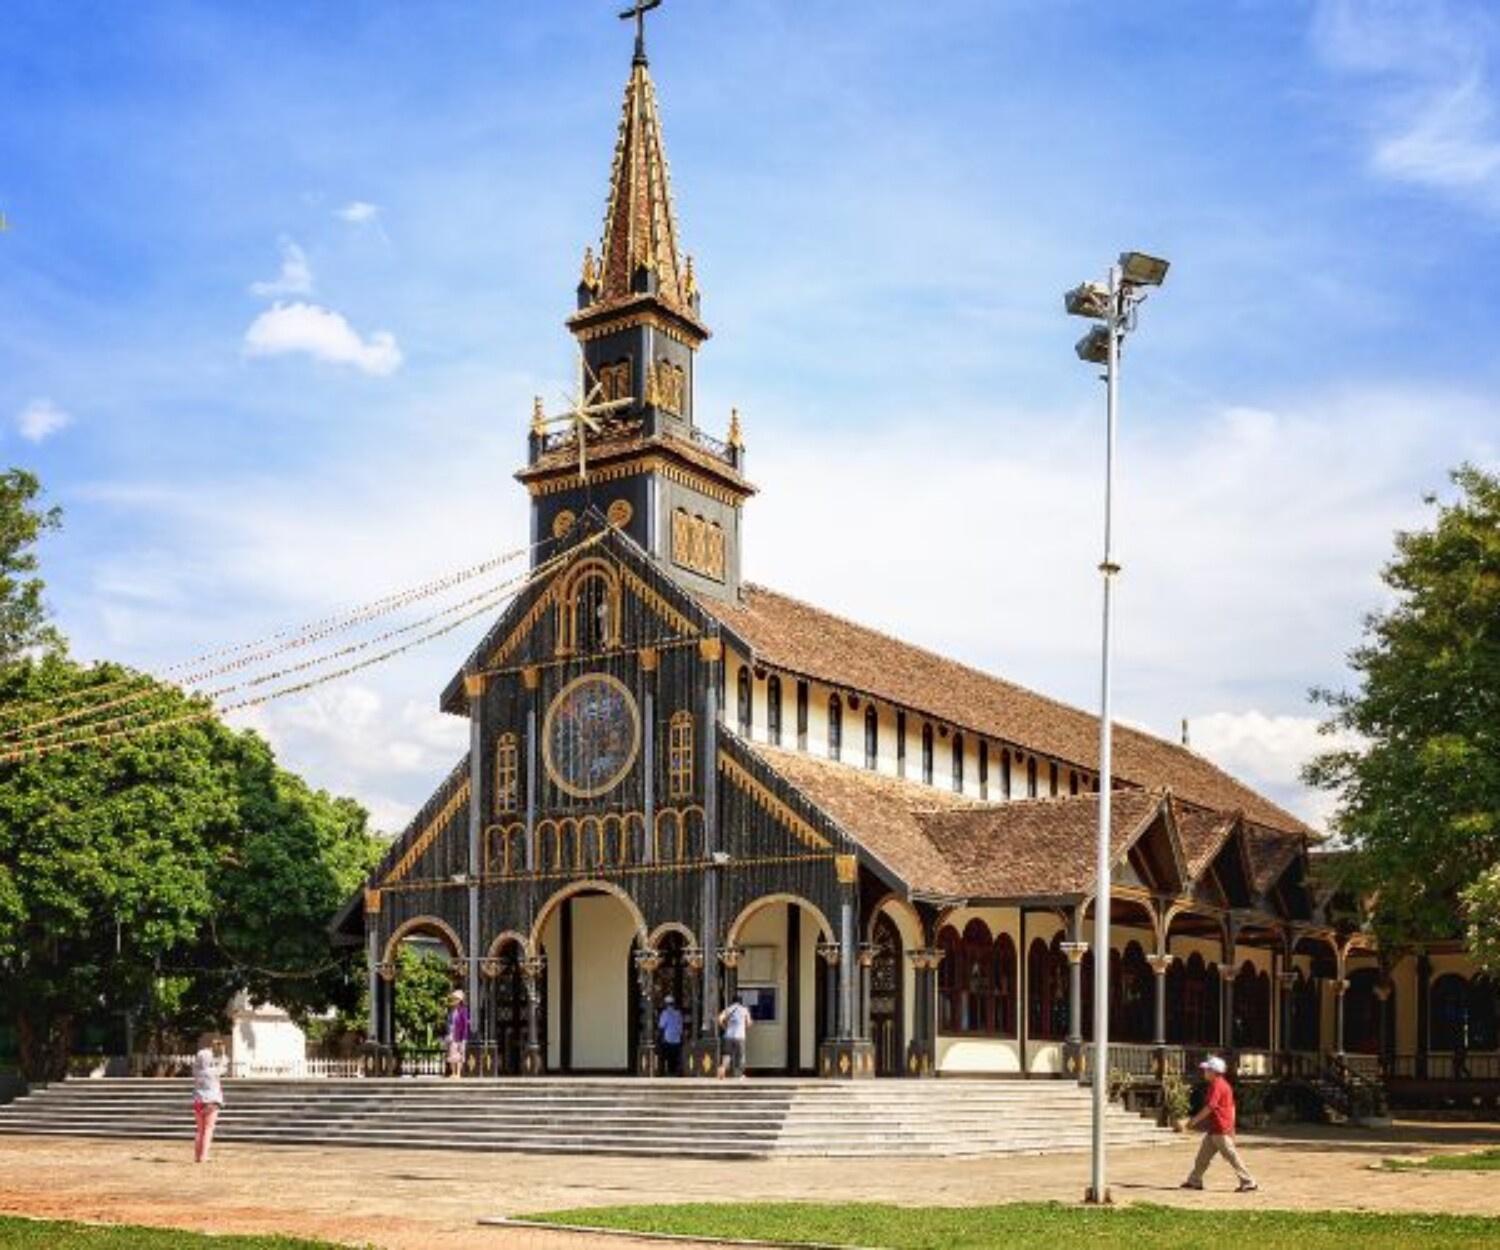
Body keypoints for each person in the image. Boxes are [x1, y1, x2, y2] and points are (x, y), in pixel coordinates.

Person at [1180, 1055, 1258, 1192]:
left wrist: (1194, 1121)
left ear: (1213, 1072)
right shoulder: (1223, 1085)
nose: (1204, 1072)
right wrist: (1232, 1127)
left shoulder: (1217, 1085)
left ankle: (1248, 1181)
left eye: (1207, 1070)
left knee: (1232, 1157)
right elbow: (1232, 1107)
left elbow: (1210, 1106)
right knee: (1202, 1157)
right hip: (1216, 1129)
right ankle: (1194, 1180)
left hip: (1220, 1129)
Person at [192, 1035, 226, 1164]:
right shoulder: (213, 1071)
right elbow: (223, 1065)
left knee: (200, 1130)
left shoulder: (197, 1071)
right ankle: (204, 1156)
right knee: (208, 1129)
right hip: (211, 1102)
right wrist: (222, 1051)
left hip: (198, 1102)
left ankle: (197, 1155)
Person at [717, 994, 751, 1079]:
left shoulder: (728, 1009)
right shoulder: (744, 1010)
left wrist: (725, 1027)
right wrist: (744, 1027)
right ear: (741, 1001)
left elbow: (720, 1019)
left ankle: (723, 1069)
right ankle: (740, 1075)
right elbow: (749, 1023)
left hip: (728, 1035)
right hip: (740, 1036)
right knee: (740, 1056)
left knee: (727, 1055)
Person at [445, 989, 471, 1078]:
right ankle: (453, 1072)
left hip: (459, 1036)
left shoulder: (463, 1011)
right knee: (452, 1054)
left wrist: (464, 1037)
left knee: (459, 1054)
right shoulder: (451, 1011)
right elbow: (449, 1023)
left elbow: (465, 1025)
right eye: (453, 999)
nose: (454, 1001)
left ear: (460, 1000)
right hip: (452, 1035)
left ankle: (458, 1073)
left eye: (455, 999)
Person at [657, 995, 684, 1076]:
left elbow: (661, 1027)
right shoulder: (678, 1013)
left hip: (667, 1039)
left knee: (666, 1056)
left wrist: (660, 1038)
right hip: (677, 1039)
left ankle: (665, 1071)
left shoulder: (664, 1013)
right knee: (675, 1057)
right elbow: (681, 1027)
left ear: (666, 1004)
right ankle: (675, 1071)